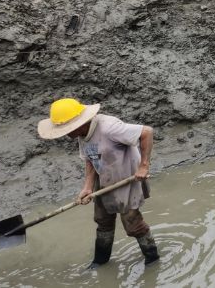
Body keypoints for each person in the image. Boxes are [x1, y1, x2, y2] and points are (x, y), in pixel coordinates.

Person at [37, 98, 158, 266]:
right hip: (104, 179)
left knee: (133, 225)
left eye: (66, 129)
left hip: (127, 179)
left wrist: (144, 166)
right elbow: (90, 158)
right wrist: (87, 187)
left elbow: (146, 132)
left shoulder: (109, 127)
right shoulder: (82, 133)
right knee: (102, 221)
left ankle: (152, 258)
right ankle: (100, 261)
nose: (65, 134)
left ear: (80, 122)